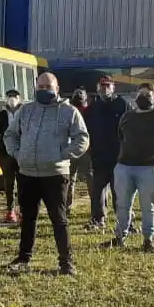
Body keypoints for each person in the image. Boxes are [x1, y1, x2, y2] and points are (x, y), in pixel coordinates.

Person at [3, 72, 89, 275]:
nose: (44, 90)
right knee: (28, 218)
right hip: (27, 173)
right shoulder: (26, 110)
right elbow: (10, 134)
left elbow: (82, 139)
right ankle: (24, 258)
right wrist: (17, 153)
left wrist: (62, 154)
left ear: (57, 89)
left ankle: (66, 262)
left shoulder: (69, 112)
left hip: (55, 175)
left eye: (48, 86)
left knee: (59, 219)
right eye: (40, 87)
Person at [110, 83, 154, 253]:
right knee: (122, 205)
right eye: (140, 94)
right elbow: (120, 137)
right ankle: (120, 237)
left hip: (150, 169)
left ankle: (148, 240)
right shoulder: (127, 117)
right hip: (125, 167)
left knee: (148, 206)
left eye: (147, 95)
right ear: (135, 96)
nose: (143, 97)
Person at [85, 76, 135, 230]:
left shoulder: (123, 105)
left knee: (120, 193)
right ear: (97, 88)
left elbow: (131, 129)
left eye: (108, 86)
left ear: (113, 88)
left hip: (119, 158)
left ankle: (126, 222)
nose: (104, 89)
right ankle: (98, 220)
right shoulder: (93, 107)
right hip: (99, 158)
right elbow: (86, 131)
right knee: (97, 192)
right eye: (101, 86)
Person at [0, 88, 23, 223]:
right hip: (6, 154)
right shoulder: (2, 114)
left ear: (19, 98)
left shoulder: (24, 112)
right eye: (9, 96)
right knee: (9, 183)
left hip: (22, 153)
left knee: (23, 182)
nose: (12, 99)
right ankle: (10, 210)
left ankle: (24, 210)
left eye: (15, 96)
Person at [66, 88, 93, 217]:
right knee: (88, 179)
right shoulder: (88, 111)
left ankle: (67, 208)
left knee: (70, 180)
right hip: (82, 150)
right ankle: (96, 207)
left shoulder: (69, 111)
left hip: (76, 150)